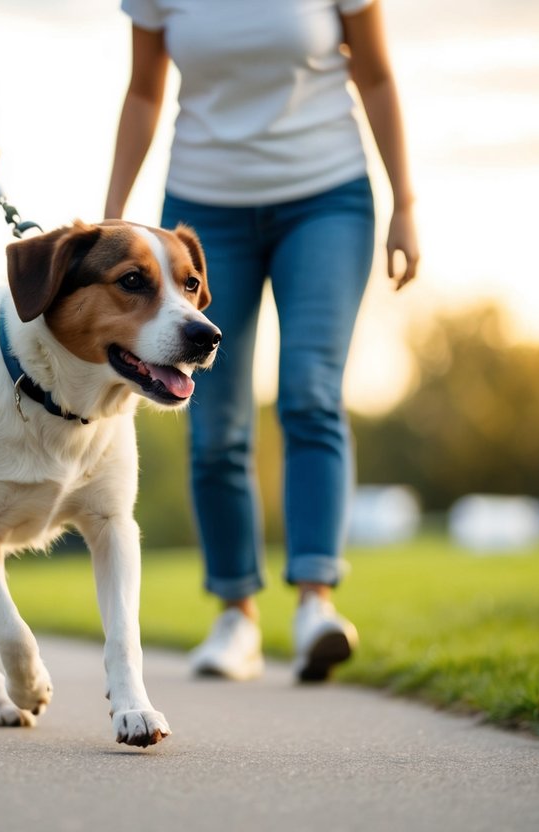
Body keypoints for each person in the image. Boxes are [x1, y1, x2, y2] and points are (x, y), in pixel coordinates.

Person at [105, 0, 420, 682]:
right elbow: (143, 91)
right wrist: (112, 218)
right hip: (203, 209)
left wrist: (405, 202)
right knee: (212, 419)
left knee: (310, 391)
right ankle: (235, 617)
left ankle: (315, 605)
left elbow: (374, 75)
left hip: (326, 198)